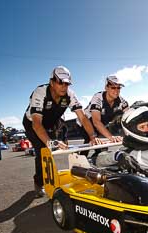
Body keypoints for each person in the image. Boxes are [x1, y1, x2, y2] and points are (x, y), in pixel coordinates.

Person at [23, 65, 99, 197]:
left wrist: (93, 136)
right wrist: (50, 143)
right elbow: (37, 124)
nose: (64, 86)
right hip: (33, 123)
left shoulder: (70, 94)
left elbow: (82, 117)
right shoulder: (40, 92)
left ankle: (63, 177)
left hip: (52, 122)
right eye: (60, 83)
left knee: (53, 150)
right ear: (52, 82)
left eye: (67, 83)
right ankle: (39, 182)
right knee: (43, 151)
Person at [78, 75, 129, 144]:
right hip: (84, 123)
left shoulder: (121, 100)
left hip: (100, 124)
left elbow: (130, 117)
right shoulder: (98, 97)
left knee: (101, 148)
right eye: (113, 88)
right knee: (90, 141)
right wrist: (111, 137)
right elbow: (96, 121)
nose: (116, 91)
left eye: (118, 88)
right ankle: (76, 154)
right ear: (106, 88)